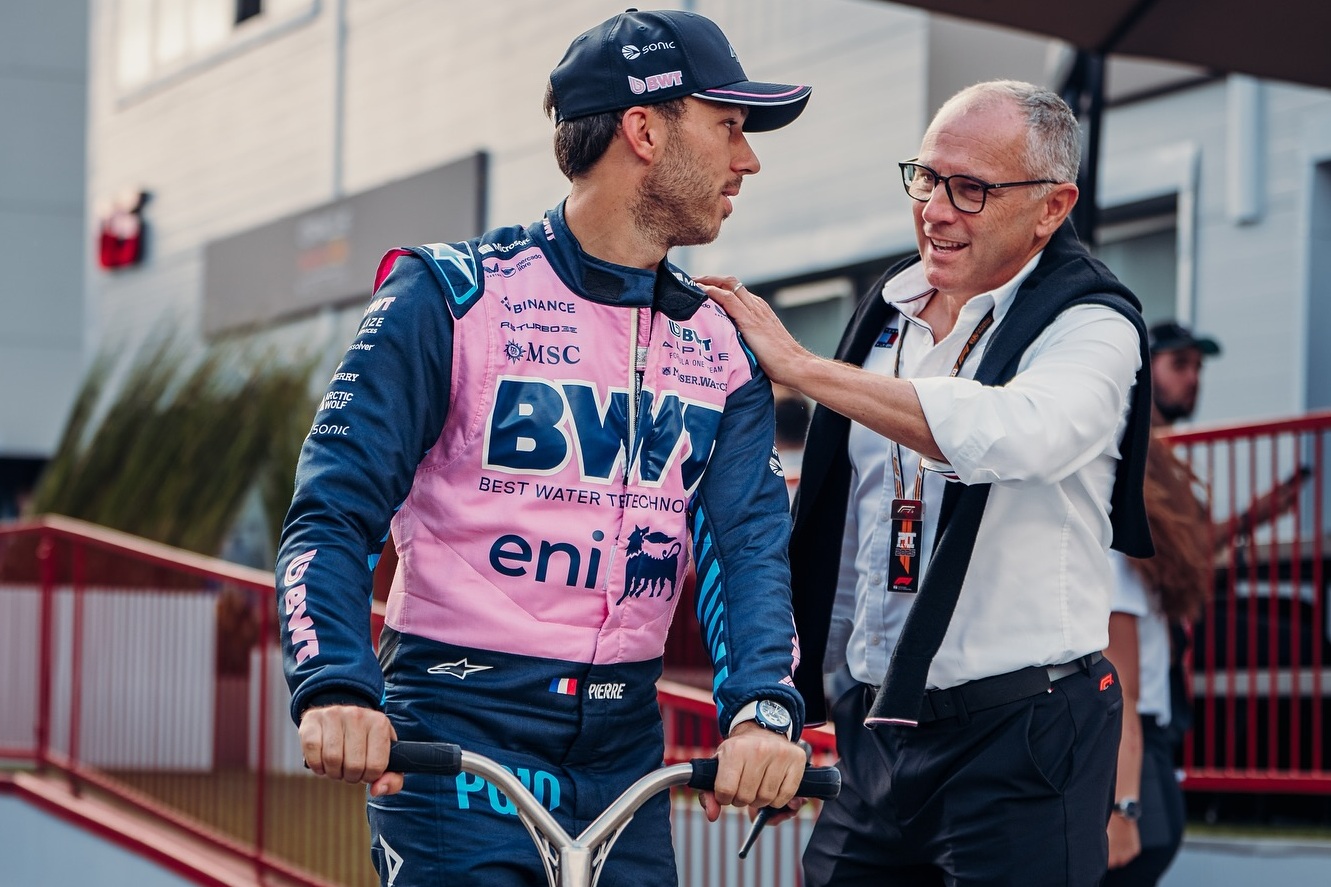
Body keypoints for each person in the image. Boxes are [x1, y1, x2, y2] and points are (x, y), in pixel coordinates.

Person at [274, 9, 813, 886]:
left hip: (624, 747)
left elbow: (748, 546)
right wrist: (334, 683)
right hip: (453, 729)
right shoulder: (448, 295)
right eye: (727, 126)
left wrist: (761, 710)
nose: (746, 159)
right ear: (644, 130)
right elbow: (332, 510)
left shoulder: (721, 343)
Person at [704, 79, 1155, 886]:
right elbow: (852, 522)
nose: (935, 211)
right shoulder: (886, 310)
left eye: (970, 189)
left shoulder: (1092, 322)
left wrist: (802, 368)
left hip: (1023, 732)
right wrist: (799, 694)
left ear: (1051, 207)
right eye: (925, 178)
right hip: (876, 725)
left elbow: (1015, 433)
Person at [1106, 321, 1305, 885]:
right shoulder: (1125, 454)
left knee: (1155, 837)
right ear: (1145, 371)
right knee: (1144, 841)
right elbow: (1148, 565)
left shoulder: (1163, 462)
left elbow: (1179, 554)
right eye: (1180, 364)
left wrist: (1253, 518)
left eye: (1198, 367)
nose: (1194, 378)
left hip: (1154, 676)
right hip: (1128, 681)